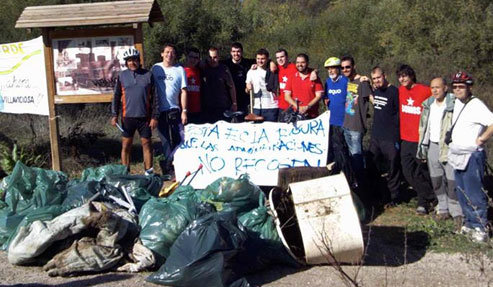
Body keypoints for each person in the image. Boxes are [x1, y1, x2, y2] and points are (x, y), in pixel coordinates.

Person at [448, 71, 493, 243]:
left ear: (469, 87)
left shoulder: (476, 105)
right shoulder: (457, 103)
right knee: (462, 192)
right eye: (456, 87)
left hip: (472, 155)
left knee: (474, 193)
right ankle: (469, 223)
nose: (458, 90)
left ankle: (480, 228)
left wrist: (482, 139)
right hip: (458, 153)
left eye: (461, 87)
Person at [417, 77, 463, 226]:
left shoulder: (453, 104)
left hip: (448, 147)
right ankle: (442, 209)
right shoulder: (428, 105)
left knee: (451, 181)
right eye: (432, 88)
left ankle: (456, 212)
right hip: (432, 145)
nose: (435, 90)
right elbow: (424, 127)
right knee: (436, 179)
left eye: (438, 87)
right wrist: (423, 147)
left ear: (445, 88)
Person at [111, 48, 158, 175]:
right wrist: (114, 114)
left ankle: (149, 173)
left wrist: (154, 117)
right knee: (126, 146)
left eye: (135, 60)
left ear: (139, 61)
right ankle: (125, 173)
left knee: (147, 144)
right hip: (127, 117)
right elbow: (116, 96)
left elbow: (155, 97)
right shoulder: (122, 76)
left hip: (145, 117)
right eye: (130, 60)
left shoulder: (148, 75)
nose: (133, 63)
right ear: (126, 62)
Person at [397, 64, 436, 215]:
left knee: (422, 172)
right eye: (400, 76)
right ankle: (432, 195)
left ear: (412, 76)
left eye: (405, 75)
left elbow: (439, 102)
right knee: (408, 172)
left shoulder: (424, 90)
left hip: (420, 139)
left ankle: (423, 202)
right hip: (405, 138)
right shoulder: (399, 91)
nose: (403, 79)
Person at [367, 66, 402, 205]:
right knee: (372, 165)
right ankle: (378, 194)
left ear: (385, 76)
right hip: (376, 135)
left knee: (393, 166)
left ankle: (394, 196)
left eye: (378, 78)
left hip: (390, 136)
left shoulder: (394, 92)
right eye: (374, 79)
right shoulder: (376, 90)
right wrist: (366, 82)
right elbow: (372, 99)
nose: (377, 81)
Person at [151, 44, 187, 174]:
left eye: (172, 52)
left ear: (175, 55)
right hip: (160, 111)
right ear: (162, 54)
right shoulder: (155, 68)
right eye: (167, 52)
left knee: (178, 139)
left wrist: (184, 111)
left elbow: (184, 91)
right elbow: (150, 88)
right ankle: (168, 168)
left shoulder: (179, 70)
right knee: (165, 140)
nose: (169, 55)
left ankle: (179, 165)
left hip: (175, 110)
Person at [340, 56, 371, 187]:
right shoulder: (347, 81)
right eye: (343, 68)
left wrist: (371, 82)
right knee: (352, 157)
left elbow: (372, 98)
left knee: (357, 157)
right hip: (346, 124)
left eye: (348, 67)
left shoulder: (362, 82)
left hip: (357, 126)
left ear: (354, 66)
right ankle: (355, 183)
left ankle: (363, 185)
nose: (345, 69)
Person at [201, 47, 237, 123]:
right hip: (207, 107)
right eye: (210, 57)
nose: (212, 60)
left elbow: (231, 86)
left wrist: (234, 102)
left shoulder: (224, 69)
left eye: (215, 57)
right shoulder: (203, 68)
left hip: (222, 105)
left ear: (218, 57)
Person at [323, 57, 348, 162]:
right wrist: (325, 99)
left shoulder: (346, 81)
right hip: (333, 122)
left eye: (333, 68)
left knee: (349, 150)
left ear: (339, 68)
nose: (330, 71)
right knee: (337, 149)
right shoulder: (327, 82)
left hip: (346, 121)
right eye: (328, 69)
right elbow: (324, 96)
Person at [283, 53, 323, 119]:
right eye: (298, 62)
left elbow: (319, 96)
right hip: (295, 115)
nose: (300, 65)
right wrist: (298, 107)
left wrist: (307, 106)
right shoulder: (291, 77)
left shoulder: (315, 77)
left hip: (312, 115)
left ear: (307, 63)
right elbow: (287, 96)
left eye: (302, 62)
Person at [221, 42, 255, 116]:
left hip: (245, 100)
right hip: (228, 100)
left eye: (238, 51)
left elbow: (264, 60)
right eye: (234, 51)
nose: (236, 54)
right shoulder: (224, 64)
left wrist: (271, 63)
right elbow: (212, 62)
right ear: (230, 52)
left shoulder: (248, 63)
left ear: (242, 52)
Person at [246, 48, 279, 121]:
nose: (260, 61)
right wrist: (248, 88)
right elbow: (247, 90)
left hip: (272, 107)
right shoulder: (251, 72)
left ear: (267, 59)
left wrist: (271, 62)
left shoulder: (273, 69)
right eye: (258, 58)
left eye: (262, 59)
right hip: (256, 107)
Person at [184, 47, 202, 124]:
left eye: (196, 58)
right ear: (187, 57)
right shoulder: (180, 70)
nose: (193, 60)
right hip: (184, 112)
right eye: (191, 57)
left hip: (198, 112)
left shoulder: (200, 71)